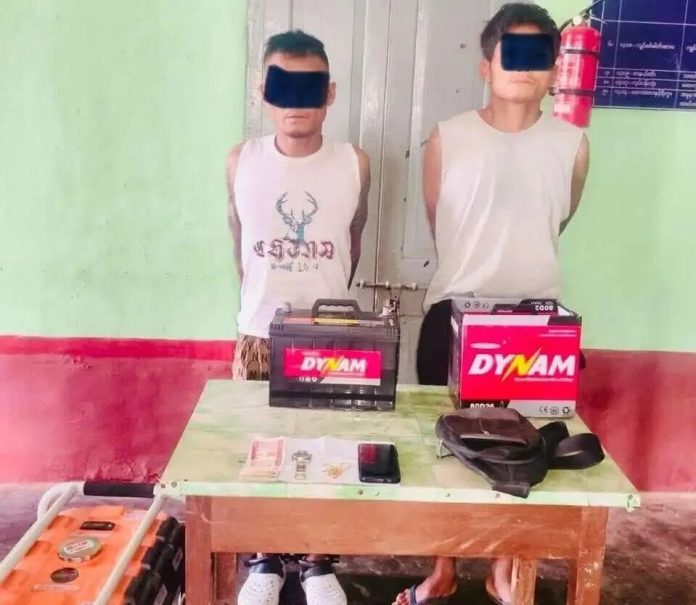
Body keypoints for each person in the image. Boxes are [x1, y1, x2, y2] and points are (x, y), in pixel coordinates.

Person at [393, 4, 590, 605]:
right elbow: (442, 223)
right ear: (486, 65)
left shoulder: (572, 145)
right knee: (446, 448)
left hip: (537, 326)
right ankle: (444, 568)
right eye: (513, 54)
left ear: (553, 69)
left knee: (524, 449)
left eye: (539, 56)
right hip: (455, 316)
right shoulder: (448, 138)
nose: (525, 68)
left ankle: (506, 570)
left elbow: (560, 219)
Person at [227, 29, 370, 605]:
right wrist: (259, 301)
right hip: (259, 334)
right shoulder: (241, 160)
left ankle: (316, 560)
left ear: (329, 93)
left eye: (309, 87)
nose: (296, 102)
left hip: (330, 336)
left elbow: (353, 238)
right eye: (283, 86)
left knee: (327, 449)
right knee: (261, 449)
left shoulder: (354, 163)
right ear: (264, 91)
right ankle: (265, 557)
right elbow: (239, 241)